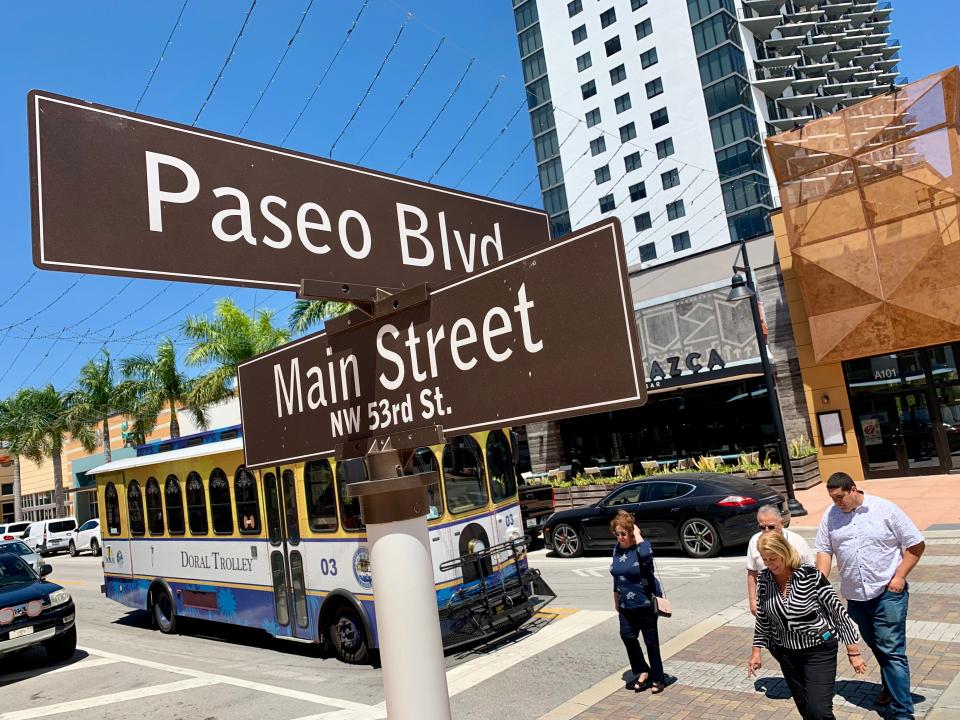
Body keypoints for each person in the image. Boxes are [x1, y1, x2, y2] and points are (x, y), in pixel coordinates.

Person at [815, 473, 925, 719]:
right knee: (878, 647)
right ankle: (892, 687)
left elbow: (916, 544)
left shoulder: (885, 509)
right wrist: (819, 583)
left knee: (892, 650)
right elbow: (824, 549)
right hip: (855, 597)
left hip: (887, 594)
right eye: (832, 498)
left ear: (853, 489)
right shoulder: (830, 515)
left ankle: (903, 713)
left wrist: (900, 576)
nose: (837, 503)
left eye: (840, 497)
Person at [748, 532, 866, 720]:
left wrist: (854, 652)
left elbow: (838, 613)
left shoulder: (811, 576)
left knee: (819, 710)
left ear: (784, 552)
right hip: (786, 652)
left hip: (819, 649)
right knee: (805, 708)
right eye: (765, 559)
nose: (770, 564)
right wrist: (756, 652)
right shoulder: (764, 580)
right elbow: (763, 618)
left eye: (774, 558)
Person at [610, 510, 666, 694]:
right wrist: (616, 599)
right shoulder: (617, 549)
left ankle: (658, 678)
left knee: (651, 643)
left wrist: (638, 534)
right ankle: (642, 670)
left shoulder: (643, 547)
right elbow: (616, 575)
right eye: (617, 534)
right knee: (627, 636)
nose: (620, 537)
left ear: (631, 533)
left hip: (645, 604)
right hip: (626, 605)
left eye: (623, 534)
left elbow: (645, 557)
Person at [747, 504, 815, 615]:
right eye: (762, 527)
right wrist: (753, 601)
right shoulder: (755, 541)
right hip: (769, 600)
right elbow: (752, 571)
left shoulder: (797, 541)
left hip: (798, 599)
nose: (767, 530)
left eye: (771, 527)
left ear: (782, 523)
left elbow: (812, 572)